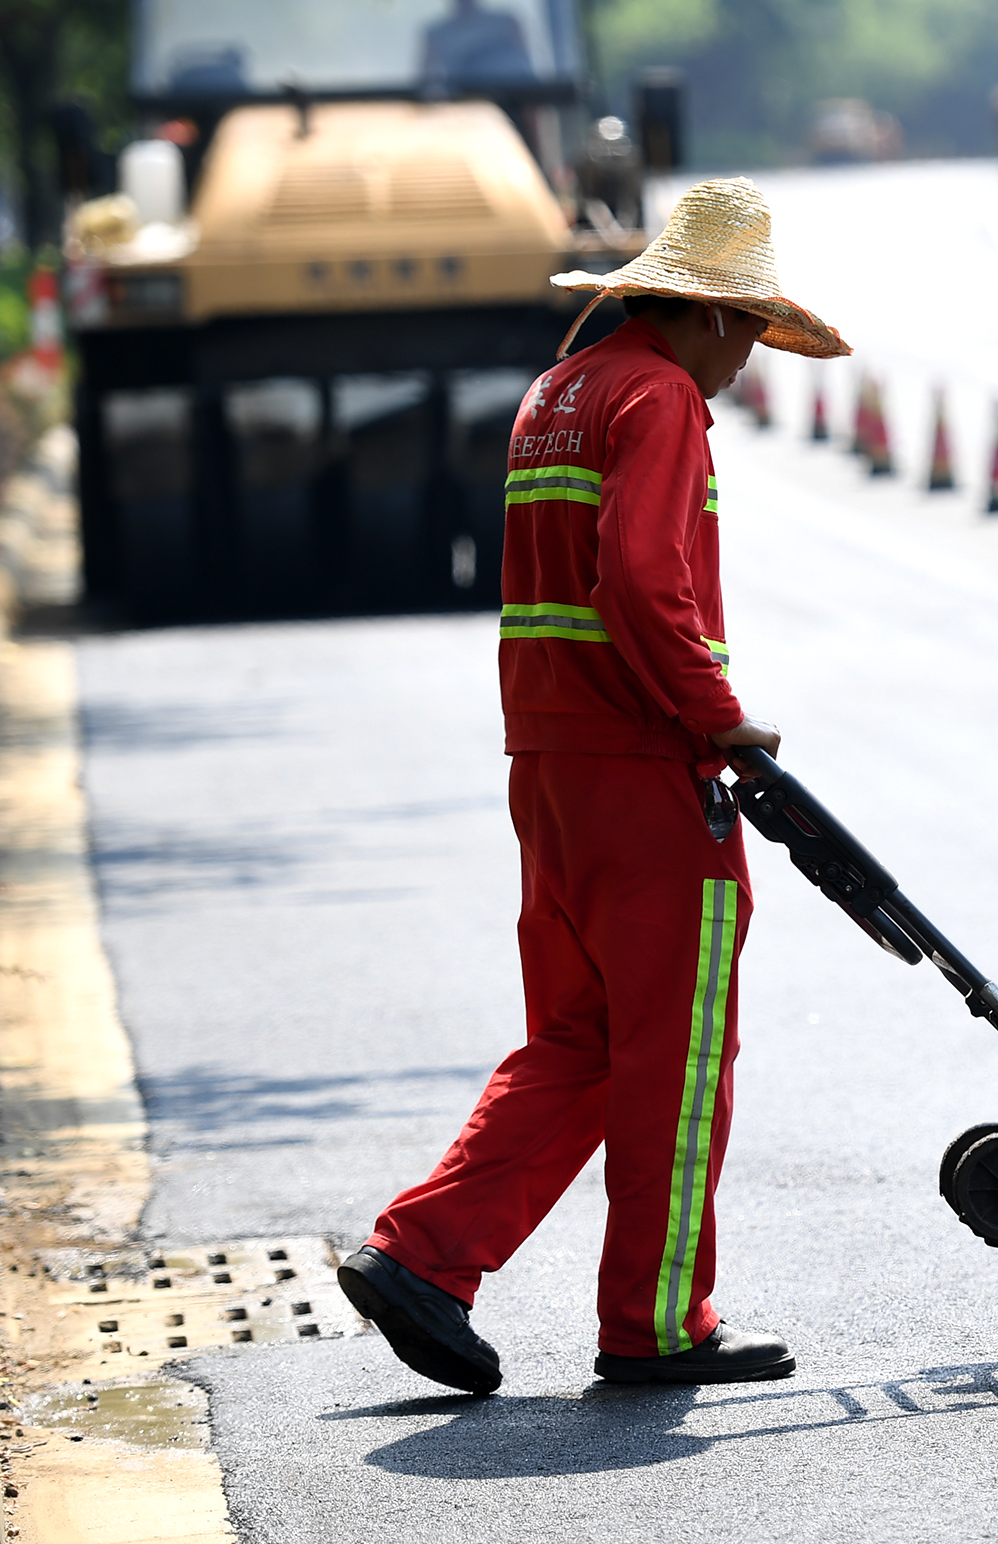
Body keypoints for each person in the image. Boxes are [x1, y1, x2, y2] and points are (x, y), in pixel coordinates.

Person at [338, 179, 850, 1394]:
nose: (747, 358)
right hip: (642, 767)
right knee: (676, 1052)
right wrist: (716, 715)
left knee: (581, 1037)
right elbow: (636, 576)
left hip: (550, 765)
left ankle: (422, 1253)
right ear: (708, 313)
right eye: (748, 328)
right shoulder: (659, 396)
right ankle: (658, 1320)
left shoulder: (557, 390)